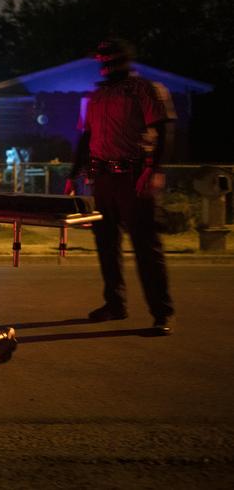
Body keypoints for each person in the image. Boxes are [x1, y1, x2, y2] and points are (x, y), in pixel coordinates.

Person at [65, 38, 177, 335]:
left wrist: (155, 170)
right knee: (106, 245)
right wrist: (73, 174)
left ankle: (161, 312)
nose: (103, 66)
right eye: (100, 60)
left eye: (108, 59)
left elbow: (164, 129)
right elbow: (86, 138)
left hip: (133, 176)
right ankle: (114, 304)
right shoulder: (96, 97)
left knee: (145, 247)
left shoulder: (146, 90)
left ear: (122, 60)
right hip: (103, 179)